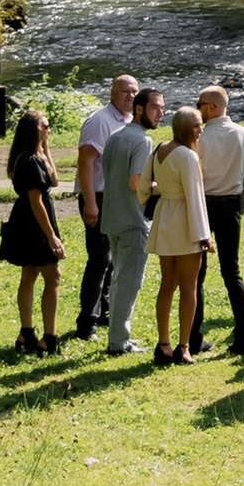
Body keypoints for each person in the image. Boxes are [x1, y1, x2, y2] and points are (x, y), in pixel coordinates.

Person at [188, 82, 244, 359]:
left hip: (202, 205)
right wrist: (241, 206)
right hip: (231, 205)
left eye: (199, 105)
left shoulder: (200, 139)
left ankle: (193, 337)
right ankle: (243, 335)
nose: (197, 110)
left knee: (197, 274)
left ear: (212, 107)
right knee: (232, 272)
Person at [142, 106, 212, 369]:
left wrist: (160, 192)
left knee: (167, 284)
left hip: (164, 218)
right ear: (185, 128)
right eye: (196, 126)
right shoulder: (188, 156)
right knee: (189, 287)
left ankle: (163, 344)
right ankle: (183, 347)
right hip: (184, 222)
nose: (200, 130)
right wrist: (204, 235)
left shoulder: (159, 149)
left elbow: (143, 187)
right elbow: (195, 197)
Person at [98, 84, 163, 356]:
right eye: (154, 107)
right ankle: (118, 342)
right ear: (139, 109)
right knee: (129, 282)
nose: (160, 113)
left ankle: (117, 336)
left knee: (118, 280)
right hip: (133, 221)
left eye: (162, 108)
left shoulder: (115, 136)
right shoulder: (142, 141)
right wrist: (165, 185)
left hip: (112, 218)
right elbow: (136, 182)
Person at [0, 104, 65, 354]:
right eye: (44, 126)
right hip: (35, 222)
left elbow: (54, 181)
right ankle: (49, 337)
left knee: (29, 274)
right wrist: (51, 236)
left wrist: (46, 148)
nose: (49, 129)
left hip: (26, 220)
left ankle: (26, 333)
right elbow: (37, 202)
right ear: (33, 130)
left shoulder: (31, 157)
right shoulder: (30, 161)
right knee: (53, 276)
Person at [74, 73, 136, 340]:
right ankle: (86, 323)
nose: (130, 96)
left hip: (116, 198)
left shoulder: (129, 121)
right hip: (98, 197)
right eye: (125, 91)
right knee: (99, 260)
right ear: (112, 93)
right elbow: (85, 162)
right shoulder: (100, 121)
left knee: (113, 260)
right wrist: (90, 203)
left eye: (134, 92)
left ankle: (104, 313)